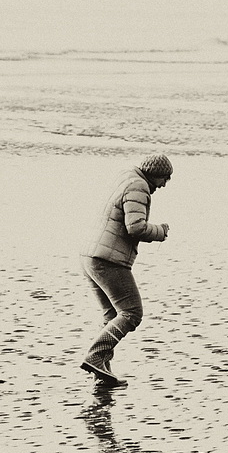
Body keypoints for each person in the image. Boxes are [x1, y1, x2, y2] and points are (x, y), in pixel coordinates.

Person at [79, 154, 172, 387]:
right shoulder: (139, 186)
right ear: (154, 174)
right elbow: (136, 227)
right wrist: (160, 231)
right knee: (132, 313)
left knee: (111, 315)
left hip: (90, 255)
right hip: (109, 260)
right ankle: (95, 356)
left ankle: (102, 374)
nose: (164, 185)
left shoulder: (126, 177)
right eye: (164, 179)